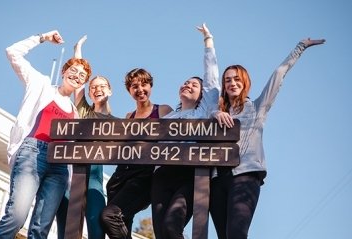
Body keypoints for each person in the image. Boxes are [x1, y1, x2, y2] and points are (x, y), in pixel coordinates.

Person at [211, 37, 325, 238]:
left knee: (236, 234)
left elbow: (278, 75)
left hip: (245, 175)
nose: (232, 83)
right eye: (227, 79)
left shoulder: (257, 108)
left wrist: (300, 47)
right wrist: (215, 113)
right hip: (216, 180)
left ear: (244, 82)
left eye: (237, 78)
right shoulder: (217, 114)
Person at [0, 30, 92, 239]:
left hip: (59, 166)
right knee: (17, 216)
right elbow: (13, 52)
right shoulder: (41, 84)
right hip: (32, 153)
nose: (77, 76)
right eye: (73, 70)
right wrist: (42, 38)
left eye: (82, 76)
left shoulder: (75, 111)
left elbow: (80, 73)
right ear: (63, 72)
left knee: (40, 230)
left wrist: (78, 52)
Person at [150, 23, 221, 239]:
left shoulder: (203, 111)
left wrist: (208, 41)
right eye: (184, 83)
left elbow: (211, 81)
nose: (187, 85)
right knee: (162, 233)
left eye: (193, 85)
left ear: (202, 95)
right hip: (162, 175)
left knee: (172, 227)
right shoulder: (168, 117)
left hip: (189, 174)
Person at [100, 68, 173, 238]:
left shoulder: (162, 110)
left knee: (109, 215)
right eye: (134, 86)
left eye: (144, 84)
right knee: (119, 224)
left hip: (144, 177)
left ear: (150, 86)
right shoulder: (129, 116)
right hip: (120, 176)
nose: (140, 89)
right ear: (129, 90)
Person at [55, 35, 114, 239]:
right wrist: (77, 50)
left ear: (110, 91)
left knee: (97, 229)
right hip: (72, 174)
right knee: (66, 228)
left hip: (94, 178)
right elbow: (78, 83)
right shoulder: (84, 111)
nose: (98, 89)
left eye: (102, 86)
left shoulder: (117, 122)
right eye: (94, 87)